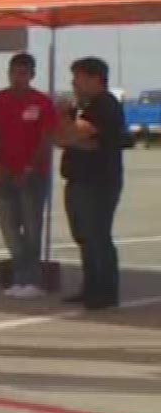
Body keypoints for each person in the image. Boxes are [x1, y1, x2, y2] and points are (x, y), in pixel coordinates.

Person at [0, 52, 58, 298]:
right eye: (14, 73)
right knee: (10, 227)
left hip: (33, 175)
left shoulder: (42, 102)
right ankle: (19, 276)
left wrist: (29, 168)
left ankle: (32, 280)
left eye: (23, 73)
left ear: (32, 75)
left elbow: (47, 139)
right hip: (4, 174)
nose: (18, 78)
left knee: (33, 228)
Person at [57, 58, 125, 310]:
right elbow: (62, 137)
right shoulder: (84, 106)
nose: (74, 83)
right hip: (78, 178)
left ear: (95, 78)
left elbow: (79, 133)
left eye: (78, 77)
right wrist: (71, 134)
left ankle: (105, 292)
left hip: (98, 181)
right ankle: (90, 286)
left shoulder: (103, 104)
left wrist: (64, 118)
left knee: (98, 235)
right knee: (84, 236)